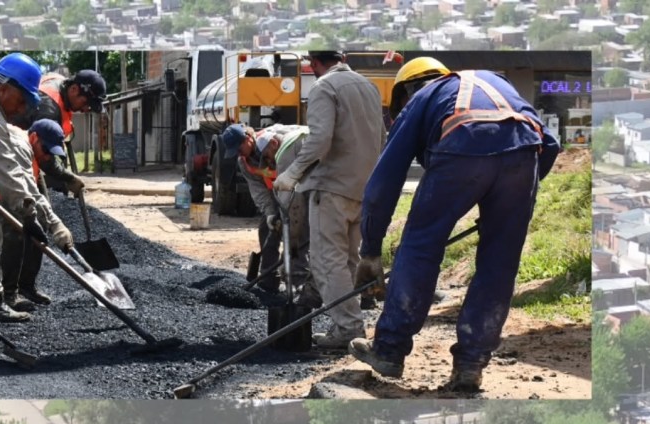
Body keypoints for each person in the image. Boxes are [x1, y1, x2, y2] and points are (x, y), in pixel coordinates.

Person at [349, 57, 561, 392]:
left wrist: (371, 249)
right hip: (524, 154)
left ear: (405, 93)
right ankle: (471, 364)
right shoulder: (494, 82)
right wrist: (508, 205)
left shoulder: (421, 98)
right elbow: (550, 144)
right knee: (499, 264)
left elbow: (383, 183)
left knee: (419, 247)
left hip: (461, 143)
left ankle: (389, 350)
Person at [272, 51, 386, 350]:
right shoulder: (368, 86)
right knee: (347, 259)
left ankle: (348, 328)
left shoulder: (324, 87)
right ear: (342, 57)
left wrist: (292, 173)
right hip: (363, 187)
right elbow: (381, 136)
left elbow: (320, 138)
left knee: (326, 262)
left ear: (313, 64)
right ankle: (349, 325)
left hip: (333, 187)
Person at [0, 53, 74, 322]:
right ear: (4, 88)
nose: (21, 110)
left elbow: (21, 178)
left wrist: (53, 224)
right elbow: (8, 173)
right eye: (20, 101)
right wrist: (29, 214)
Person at [1, 70, 107, 312]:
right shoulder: (48, 108)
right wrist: (68, 177)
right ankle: (8, 292)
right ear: (74, 89)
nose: (86, 109)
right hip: (12, 166)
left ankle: (26, 285)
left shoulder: (60, 87)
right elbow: (47, 158)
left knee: (41, 222)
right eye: (86, 102)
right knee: (19, 228)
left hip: (30, 163)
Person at [221, 123, 312, 297]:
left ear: (248, 138)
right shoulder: (244, 162)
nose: (239, 154)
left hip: (298, 190)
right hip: (276, 194)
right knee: (266, 229)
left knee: (297, 234)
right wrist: (270, 213)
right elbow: (258, 191)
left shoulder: (273, 140)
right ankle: (269, 282)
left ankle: (298, 283)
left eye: (239, 148)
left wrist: (287, 214)